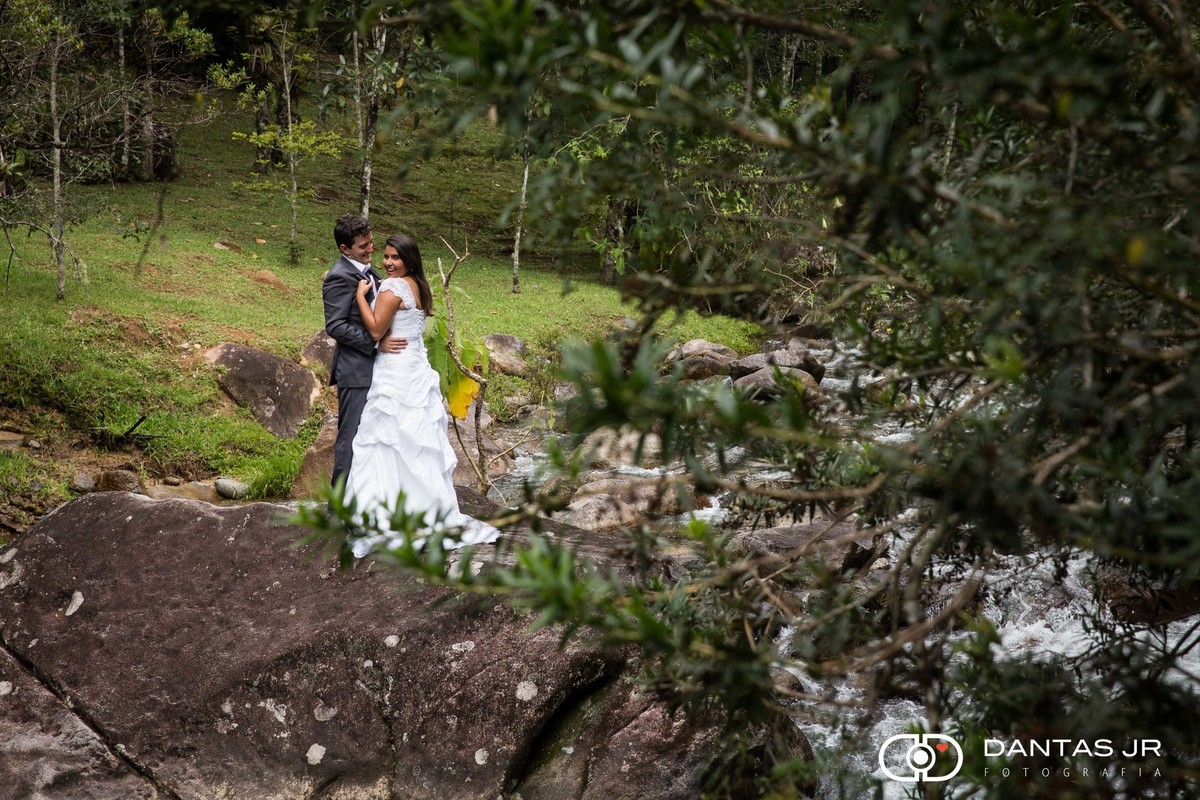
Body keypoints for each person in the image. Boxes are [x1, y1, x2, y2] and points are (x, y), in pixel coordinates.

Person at [343, 233, 500, 556]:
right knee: (417, 440)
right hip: (415, 365)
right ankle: (426, 509)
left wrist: (361, 296)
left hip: (395, 371)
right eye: (385, 256)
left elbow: (375, 330)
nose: (387, 262)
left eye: (394, 258)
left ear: (408, 259)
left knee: (388, 438)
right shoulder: (418, 285)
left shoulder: (391, 288)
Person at [322, 214, 406, 488]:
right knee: (351, 439)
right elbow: (335, 326)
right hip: (355, 371)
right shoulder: (338, 277)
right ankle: (337, 510)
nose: (371, 249)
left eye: (371, 242)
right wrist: (375, 342)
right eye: (363, 246)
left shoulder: (371, 272)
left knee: (374, 438)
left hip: (380, 370)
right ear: (345, 249)